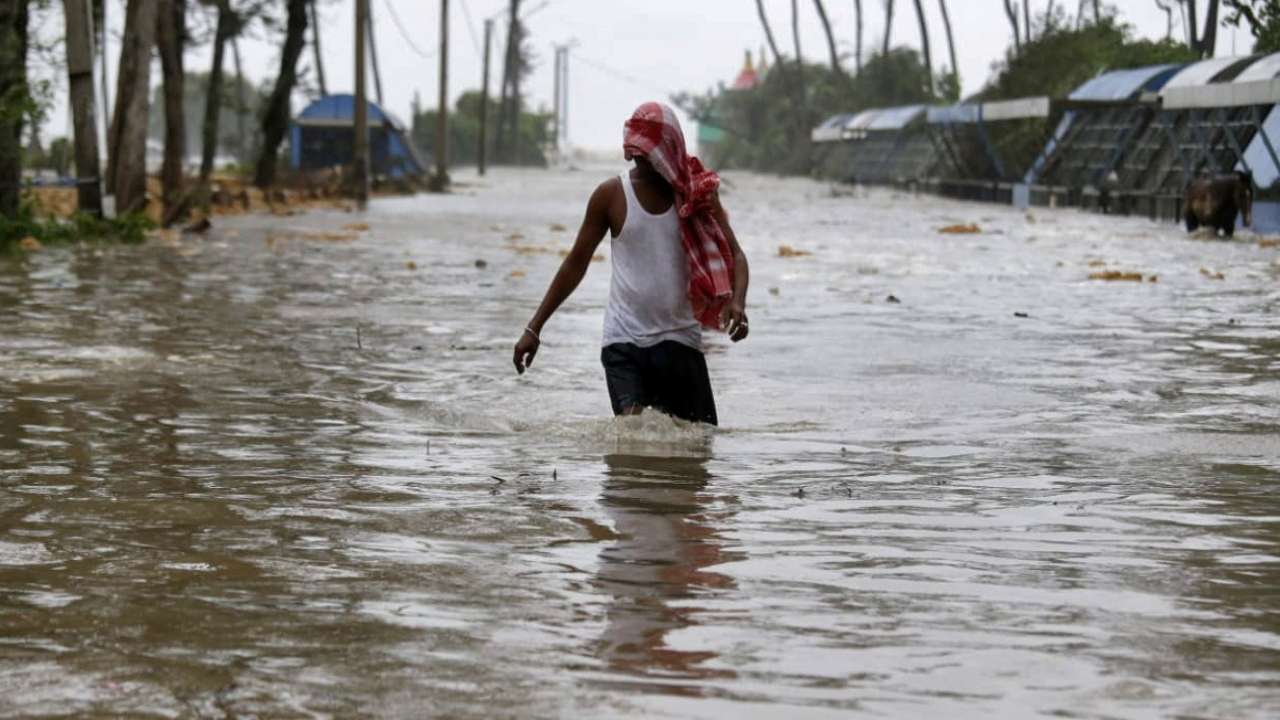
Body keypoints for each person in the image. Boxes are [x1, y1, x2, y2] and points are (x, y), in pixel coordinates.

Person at [512, 102, 750, 426]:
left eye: (649, 152)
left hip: (681, 341)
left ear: (670, 150)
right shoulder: (610, 196)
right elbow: (575, 264)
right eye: (636, 151)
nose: (641, 159)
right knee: (634, 440)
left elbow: (734, 254)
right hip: (623, 344)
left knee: (699, 447)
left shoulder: (697, 195)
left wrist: (737, 302)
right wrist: (533, 328)